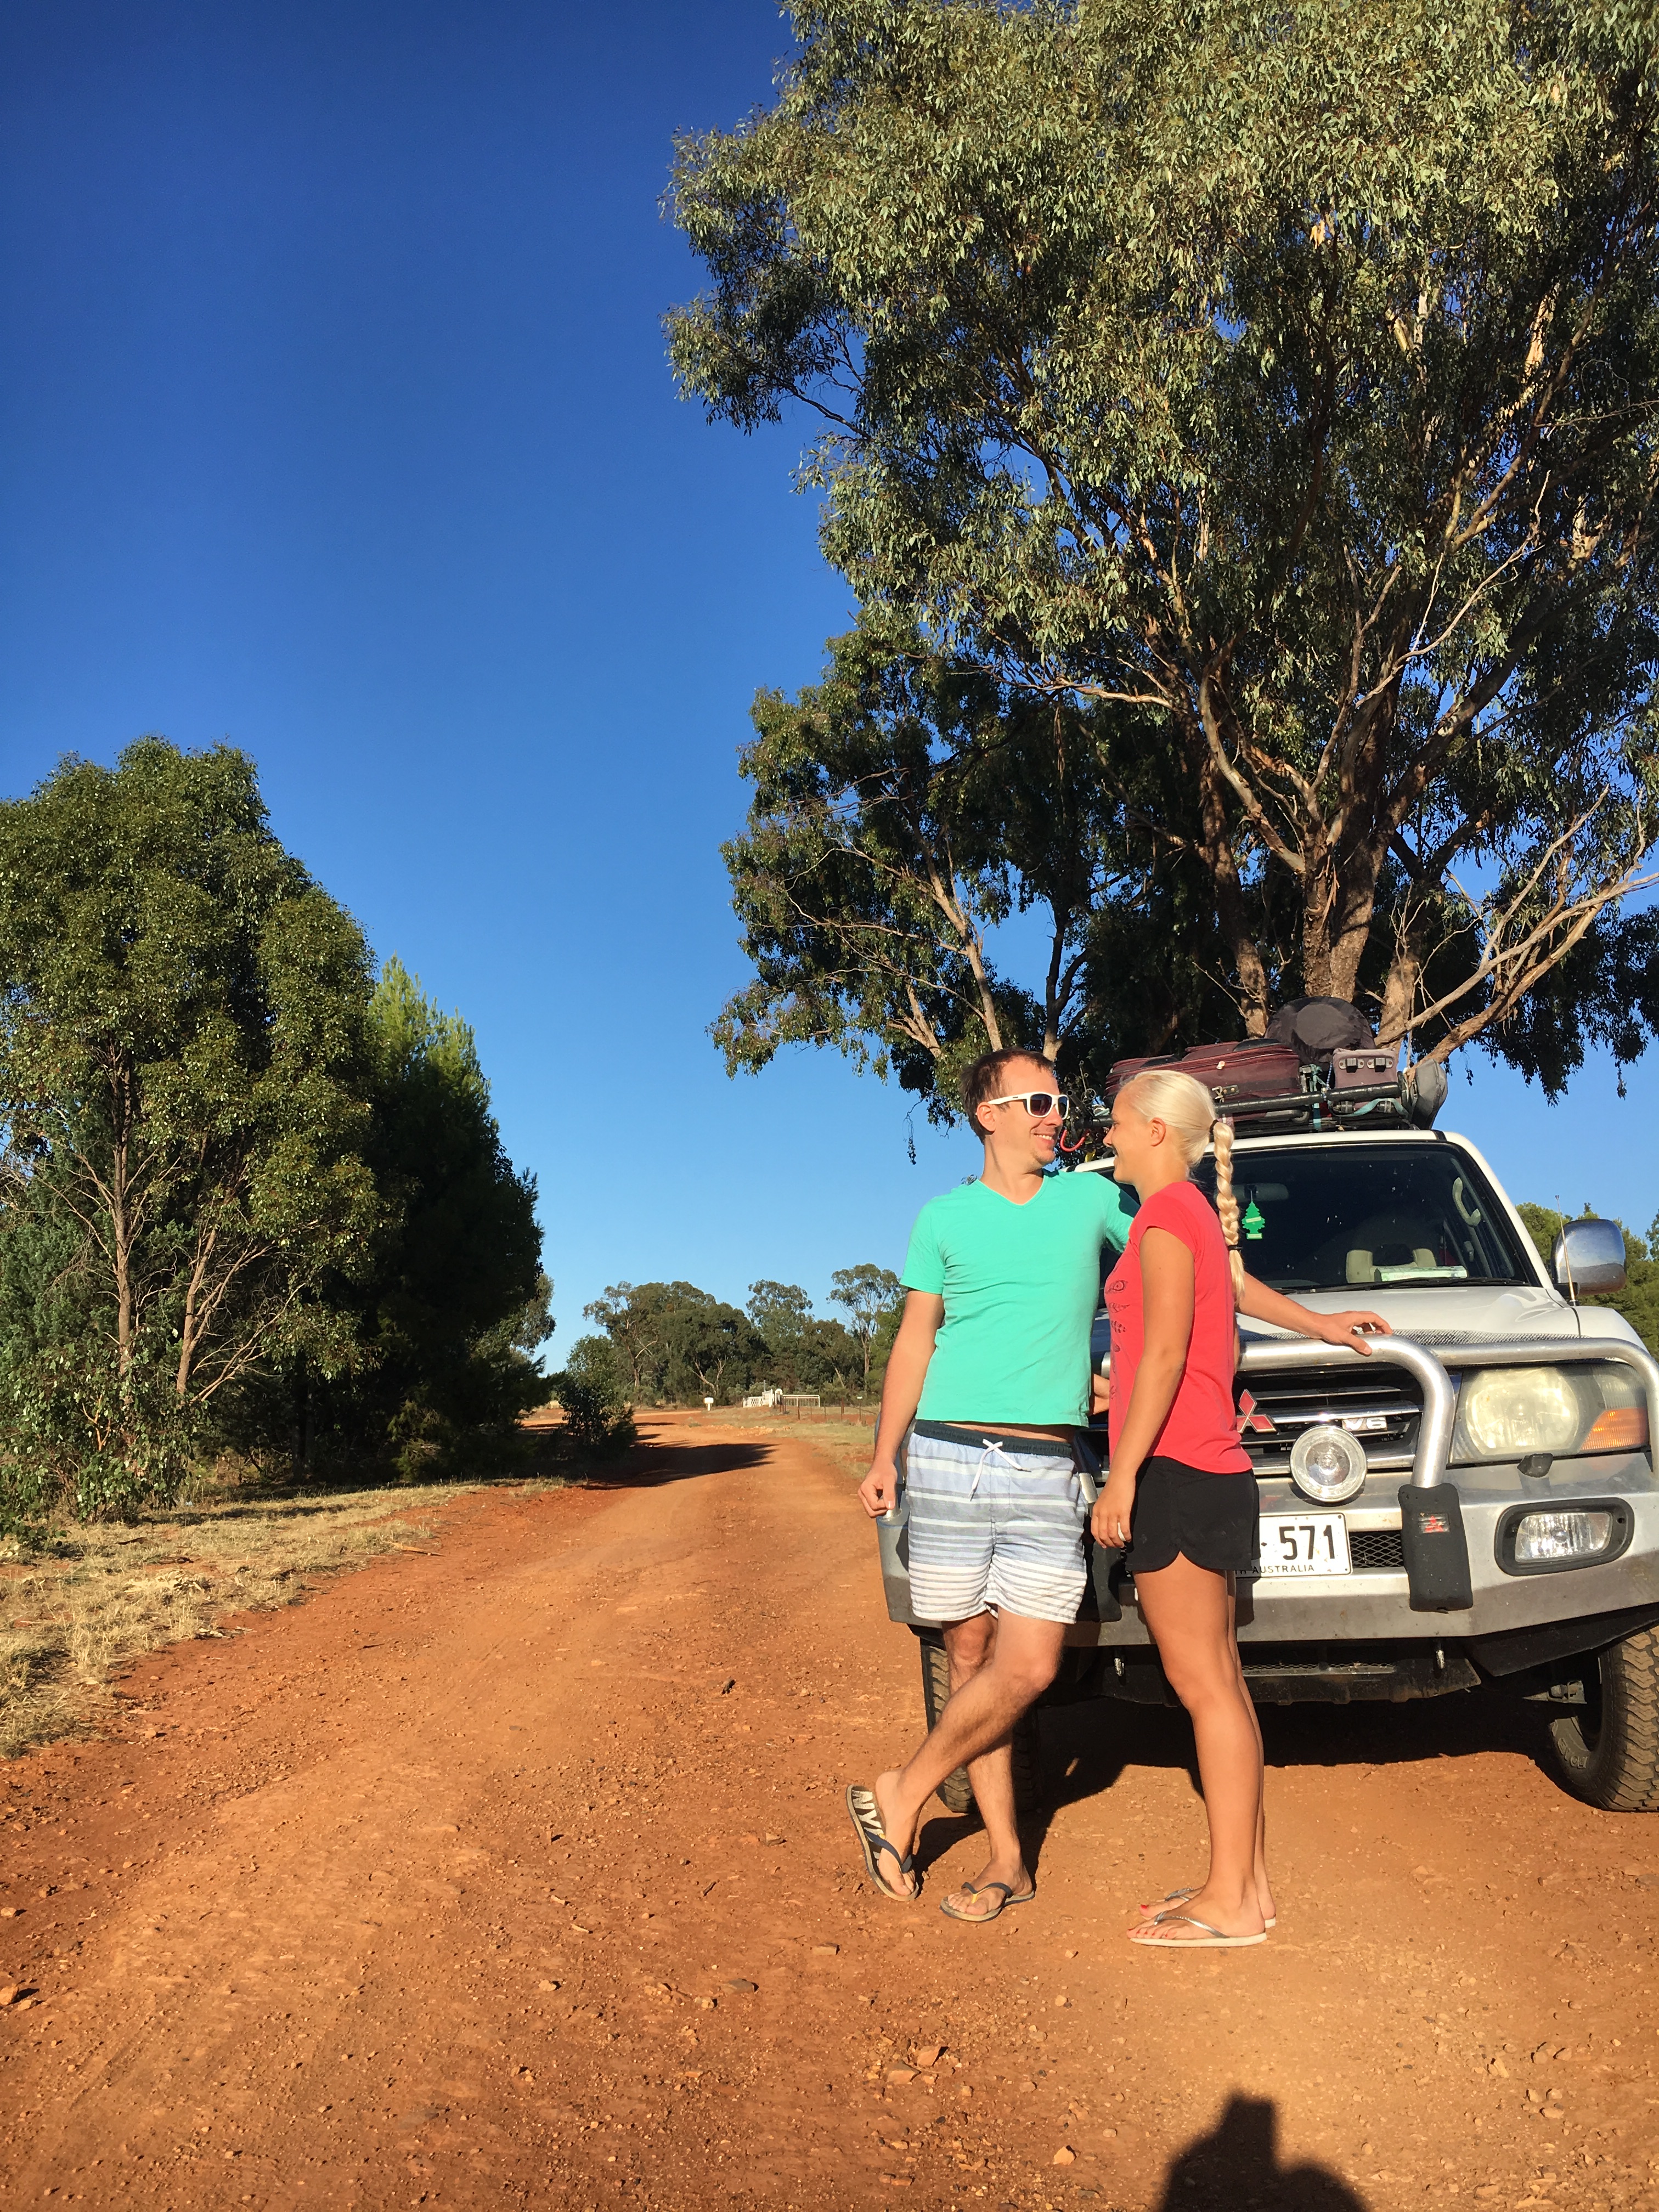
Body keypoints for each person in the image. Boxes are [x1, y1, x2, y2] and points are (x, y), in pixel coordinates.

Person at [848, 1047, 1387, 1925]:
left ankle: (901, 1791)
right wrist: (885, 1454)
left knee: (1029, 1665)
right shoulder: (941, 1218)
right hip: (947, 1453)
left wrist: (1315, 1322)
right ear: (989, 1113)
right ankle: (1006, 1860)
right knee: (970, 1655)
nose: (1060, 1117)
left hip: (1049, 1461)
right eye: (1039, 1102)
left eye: (1062, 1102)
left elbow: (1211, 1274)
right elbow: (916, 1339)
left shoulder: (1098, 1201)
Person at [1097, 1068, 1317, 1949]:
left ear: (1155, 1131)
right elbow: (1229, 1302)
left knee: (1206, 1691)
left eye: (1117, 1123)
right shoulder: (1188, 1212)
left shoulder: (1162, 1216)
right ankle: (1246, 1887)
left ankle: (1230, 1903)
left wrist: (1120, 1476)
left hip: (1176, 1471)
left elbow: (1164, 1356)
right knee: (1224, 1685)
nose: (1107, 1136)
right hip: (1212, 1466)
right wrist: (1328, 1325)